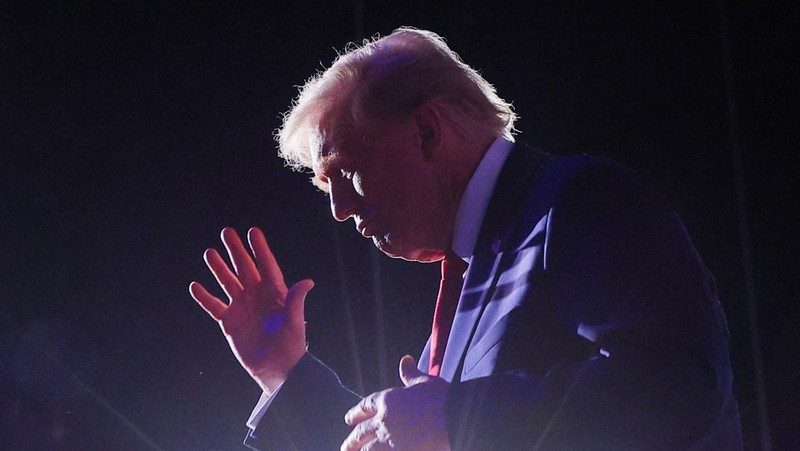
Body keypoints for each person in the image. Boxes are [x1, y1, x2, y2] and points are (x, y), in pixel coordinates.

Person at [189, 27, 743, 450]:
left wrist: (457, 416)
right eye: (325, 188)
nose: (338, 210)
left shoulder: (579, 200)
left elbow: (681, 385)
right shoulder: (468, 278)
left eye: (348, 173)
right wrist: (286, 372)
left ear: (427, 132)